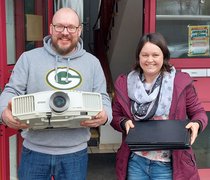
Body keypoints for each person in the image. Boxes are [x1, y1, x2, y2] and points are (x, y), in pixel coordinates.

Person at [0, 7, 112, 180]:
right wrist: (3, 112)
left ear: (79, 30)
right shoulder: (28, 59)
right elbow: (11, 90)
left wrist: (105, 116)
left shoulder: (93, 63)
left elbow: (102, 97)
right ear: (51, 28)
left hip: (75, 154)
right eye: (59, 27)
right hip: (34, 151)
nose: (65, 32)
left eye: (71, 27)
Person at [111, 32, 208, 180]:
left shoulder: (180, 82)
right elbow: (115, 115)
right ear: (138, 57)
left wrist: (196, 124)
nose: (150, 60)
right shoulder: (125, 84)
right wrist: (123, 122)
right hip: (136, 162)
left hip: (168, 164)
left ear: (164, 56)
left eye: (155, 55)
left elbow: (198, 112)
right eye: (145, 55)